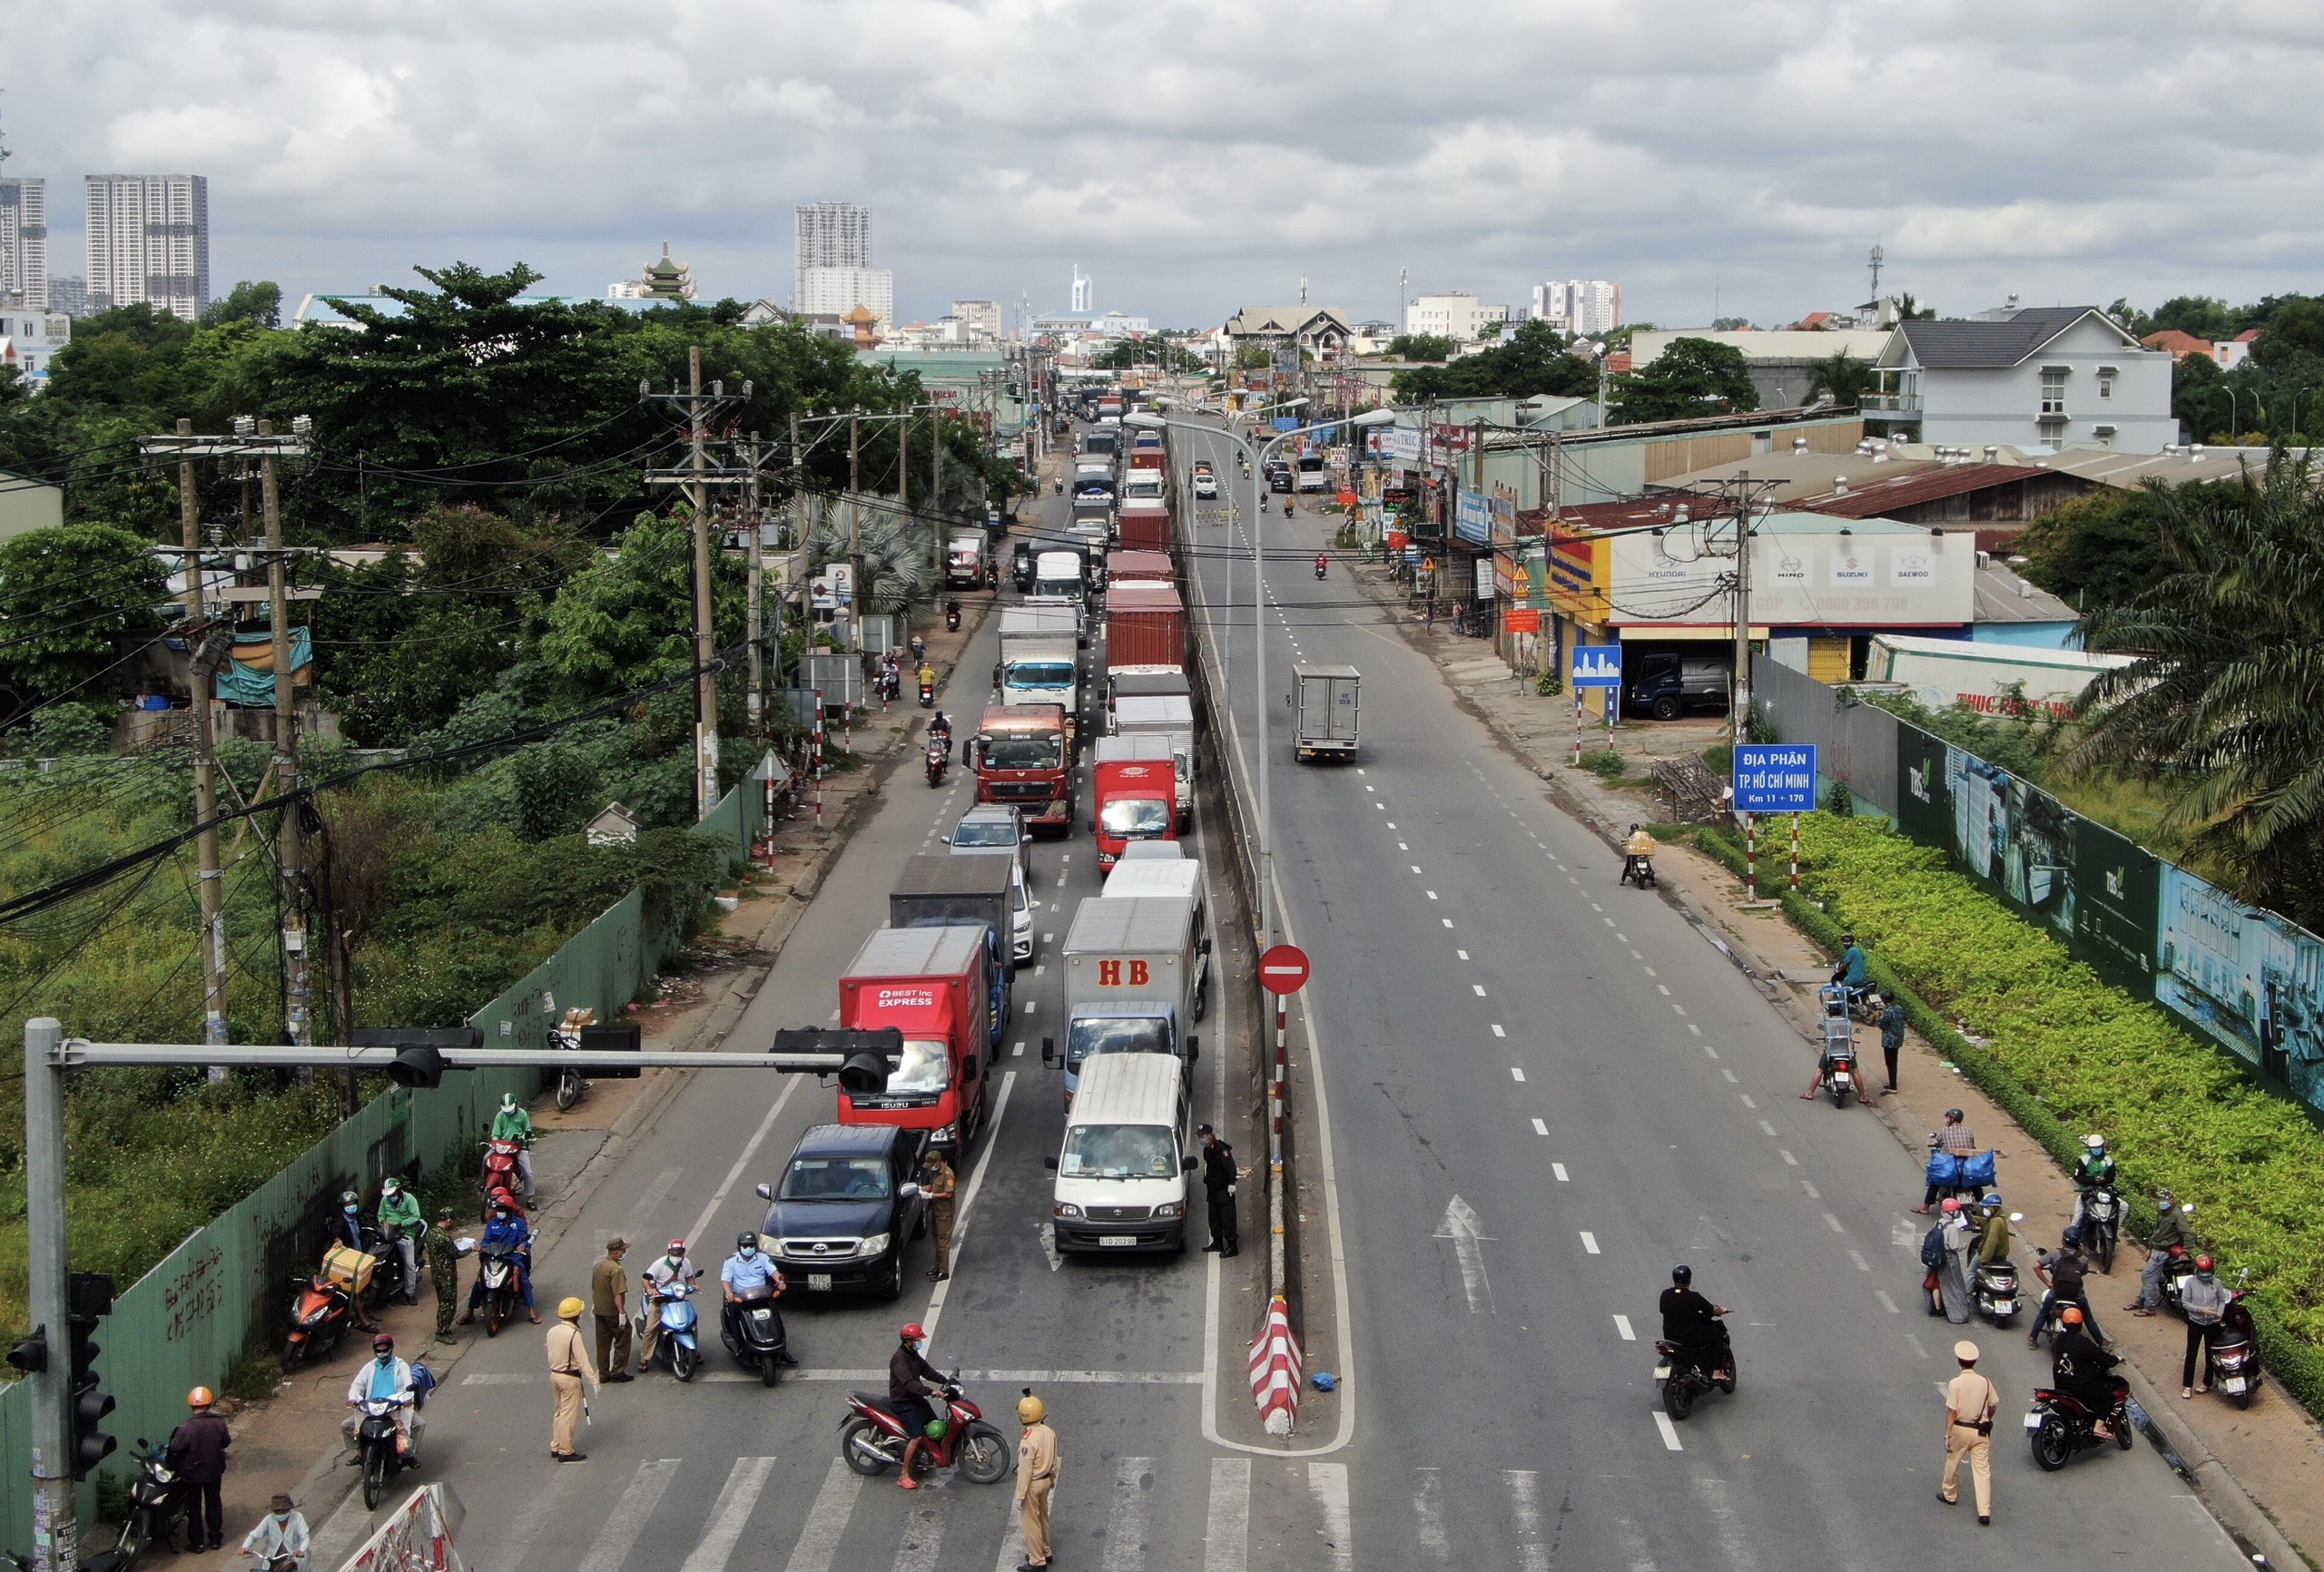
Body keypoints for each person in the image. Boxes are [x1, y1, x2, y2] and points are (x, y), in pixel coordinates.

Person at [167, 1386, 233, 1552]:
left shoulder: (186, 1427)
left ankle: (197, 1544)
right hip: (214, 1471)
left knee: (194, 1507)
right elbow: (226, 1442)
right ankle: (215, 1540)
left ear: (191, 1405)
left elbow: (175, 1447)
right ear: (210, 1403)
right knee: (213, 1502)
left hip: (192, 1474)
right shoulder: (219, 1422)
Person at [1939, 1340, 1996, 1524]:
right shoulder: (1985, 1383)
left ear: (1959, 1361)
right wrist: (1987, 1418)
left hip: (1960, 1429)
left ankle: (1950, 1493)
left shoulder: (1956, 1383)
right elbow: (1993, 1405)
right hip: (1980, 1431)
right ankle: (1984, 1511)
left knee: (1953, 1461)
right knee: (1982, 1470)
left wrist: (1947, 1434)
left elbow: (1952, 1411)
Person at [340, 1334, 421, 1459]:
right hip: (372, 1408)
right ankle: (360, 1452)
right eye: (378, 1351)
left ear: (391, 1348)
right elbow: (357, 1384)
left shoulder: (401, 1366)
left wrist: (407, 1400)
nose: (382, 1353)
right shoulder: (370, 1367)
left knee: (419, 1424)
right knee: (346, 1426)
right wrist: (353, 1398)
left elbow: (408, 1385)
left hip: (394, 1408)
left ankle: (408, 1455)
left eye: (385, 1350)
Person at [719, 1232, 795, 1361]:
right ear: (739, 1247)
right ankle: (739, 1345)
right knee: (734, 1314)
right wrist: (729, 1292)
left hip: (761, 1296)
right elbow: (725, 1281)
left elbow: (774, 1272)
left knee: (775, 1315)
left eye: (751, 1245)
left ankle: (782, 1349)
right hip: (741, 1298)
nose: (748, 1248)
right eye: (745, 1245)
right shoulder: (730, 1261)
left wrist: (780, 1282)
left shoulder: (762, 1258)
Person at [890, 1322, 948, 1490]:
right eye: (917, 1340)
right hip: (904, 1402)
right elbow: (908, 1384)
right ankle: (904, 1475)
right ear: (908, 1342)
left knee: (933, 1423)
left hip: (915, 1399)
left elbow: (927, 1371)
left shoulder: (913, 1355)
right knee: (916, 1436)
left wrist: (945, 1381)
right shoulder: (900, 1359)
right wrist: (931, 1392)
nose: (919, 1343)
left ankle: (926, 1457)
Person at [460, 1199, 535, 1324]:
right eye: (498, 1210)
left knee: (524, 1279)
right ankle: (470, 1311)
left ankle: (532, 1311)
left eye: (502, 1209)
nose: (499, 1212)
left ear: (509, 1211)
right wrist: (481, 1246)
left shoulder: (519, 1224)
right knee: (480, 1280)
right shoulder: (492, 1224)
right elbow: (486, 1240)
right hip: (494, 1256)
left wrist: (522, 1245)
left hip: (512, 1257)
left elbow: (523, 1239)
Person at [2050, 1306, 2119, 1436]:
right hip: (2080, 1386)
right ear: (2080, 1325)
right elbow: (2103, 1358)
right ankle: (2098, 1427)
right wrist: (2116, 1359)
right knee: (2108, 1398)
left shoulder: (2057, 1341)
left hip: (2060, 1384)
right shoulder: (2083, 1343)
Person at [636, 1238, 701, 1372]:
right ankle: (644, 1359)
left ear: (683, 1253)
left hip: (679, 1300)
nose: (676, 1256)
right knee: (651, 1328)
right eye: (673, 1253)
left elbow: (689, 1278)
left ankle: (694, 1350)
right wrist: (650, 1289)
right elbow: (645, 1278)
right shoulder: (659, 1264)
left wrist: (694, 1286)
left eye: (679, 1254)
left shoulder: (686, 1263)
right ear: (669, 1252)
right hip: (661, 1301)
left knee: (691, 1322)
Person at [546, 1298, 597, 1461]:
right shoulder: (574, 1334)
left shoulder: (552, 1331)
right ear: (575, 1316)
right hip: (570, 1378)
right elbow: (582, 1360)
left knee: (559, 1412)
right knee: (568, 1416)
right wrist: (594, 1380)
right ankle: (565, 1450)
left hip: (555, 1375)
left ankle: (556, 1444)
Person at [2128, 1188, 2193, 1317]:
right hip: (2157, 1249)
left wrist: (2186, 1251)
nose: (2163, 1202)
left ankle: (2150, 1307)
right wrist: (2150, 1248)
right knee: (2152, 1276)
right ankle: (2141, 1300)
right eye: (2161, 1199)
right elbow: (2157, 1232)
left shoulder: (2177, 1215)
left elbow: (2189, 1234)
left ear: (2172, 1200)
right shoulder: (2162, 1213)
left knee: (2147, 1276)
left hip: (2164, 1251)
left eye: (2165, 1199)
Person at [1658, 1264, 1731, 1379]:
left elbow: (1662, 1310)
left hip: (1669, 1336)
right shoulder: (1694, 1297)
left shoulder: (1665, 1294)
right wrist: (1722, 1310)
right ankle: (1717, 1371)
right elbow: (1712, 1310)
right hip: (1690, 1336)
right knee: (1717, 1336)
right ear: (1689, 1280)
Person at [1015, 1390, 1060, 1572]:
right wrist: (1053, 1479)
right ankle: (1045, 1551)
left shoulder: (1028, 1440)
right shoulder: (1049, 1432)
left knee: (1031, 1523)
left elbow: (1025, 1471)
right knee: (1043, 1517)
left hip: (1033, 1485)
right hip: (1046, 1480)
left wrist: (1021, 1494)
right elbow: (1055, 1459)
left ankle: (1037, 1560)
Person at [2028, 1236, 2099, 1347]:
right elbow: (2083, 1273)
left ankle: (2032, 1338)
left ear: (2063, 1241)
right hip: (2076, 1294)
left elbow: (2036, 1266)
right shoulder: (2083, 1259)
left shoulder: (2055, 1253)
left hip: (2056, 1291)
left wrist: (2047, 1283)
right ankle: (2102, 1342)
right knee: (2088, 1318)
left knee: (2043, 1313)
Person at [2180, 1253, 2231, 1398]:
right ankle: (2187, 1386)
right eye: (2203, 1272)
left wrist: (2219, 1313)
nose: (2205, 1276)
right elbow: (2185, 1303)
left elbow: (2222, 1300)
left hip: (2211, 1323)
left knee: (2210, 1353)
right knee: (2191, 1353)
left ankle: (2206, 1383)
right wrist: (2201, 1309)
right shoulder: (2190, 1283)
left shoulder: (2217, 1283)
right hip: (2196, 1322)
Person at [1915, 1109, 1978, 1213]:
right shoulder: (1969, 1130)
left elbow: (1938, 1142)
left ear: (1952, 1119)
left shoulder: (1945, 1131)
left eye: (1947, 1118)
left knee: (1934, 1181)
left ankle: (1925, 1208)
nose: (1946, 1120)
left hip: (1952, 1168)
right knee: (1975, 1183)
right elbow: (1972, 1144)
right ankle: (1983, 1202)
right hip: (1967, 1167)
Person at [591, 1236, 634, 1383]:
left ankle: (603, 1374)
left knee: (602, 1343)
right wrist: (621, 1313)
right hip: (612, 1311)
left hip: (599, 1310)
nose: (623, 1253)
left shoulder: (598, 1266)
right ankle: (617, 1371)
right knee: (624, 1335)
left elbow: (595, 1289)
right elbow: (618, 1294)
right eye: (622, 1250)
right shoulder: (616, 1270)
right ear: (616, 1252)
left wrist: (595, 1305)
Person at [2063, 1134, 2118, 1247]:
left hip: (2104, 1191)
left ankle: (2116, 1230)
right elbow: (2078, 1176)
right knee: (2078, 1217)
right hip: (2087, 1191)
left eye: (2098, 1147)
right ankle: (2070, 1240)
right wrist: (2093, 1180)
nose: (2096, 1150)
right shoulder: (2084, 1159)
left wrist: (2104, 1180)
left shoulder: (2109, 1160)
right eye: (2093, 1148)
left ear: (2103, 1146)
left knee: (2123, 1207)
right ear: (2089, 1148)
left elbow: (2112, 1177)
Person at [377, 1177, 422, 1305]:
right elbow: (380, 1215)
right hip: (388, 1235)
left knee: (409, 1264)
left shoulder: (410, 1199)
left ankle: (410, 1293)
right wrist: (383, 1222)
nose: (391, 1197)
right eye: (389, 1195)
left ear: (399, 1190)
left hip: (405, 1234)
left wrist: (401, 1224)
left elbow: (415, 1216)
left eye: (392, 1194)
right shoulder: (384, 1201)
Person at [240, 1493, 310, 1572]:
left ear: (289, 1509)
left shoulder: (297, 1518)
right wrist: (245, 1547)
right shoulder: (269, 1519)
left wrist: (301, 1550)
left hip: (294, 1557)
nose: (280, 1513)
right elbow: (253, 1536)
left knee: (288, 1566)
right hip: (273, 1558)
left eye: (283, 1510)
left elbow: (305, 1538)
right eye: (277, 1511)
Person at [1199, 1124, 1239, 1256]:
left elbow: (1231, 1168)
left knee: (1227, 1218)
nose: (1201, 1139)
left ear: (1210, 1135)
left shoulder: (1221, 1150)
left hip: (1224, 1189)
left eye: (1203, 1136)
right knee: (1214, 1218)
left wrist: (1232, 1183)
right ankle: (1217, 1242)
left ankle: (1232, 1246)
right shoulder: (1207, 1150)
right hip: (1212, 1189)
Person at [491, 1092, 537, 1203]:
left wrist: (522, 1138)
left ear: (516, 1105)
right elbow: (495, 1133)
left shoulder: (522, 1114)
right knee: (486, 1159)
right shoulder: (500, 1116)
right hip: (503, 1146)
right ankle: (486, 1186)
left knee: (527, 1172)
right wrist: (495, 1142)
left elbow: (527, 1130)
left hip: (518, 1146)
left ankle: (530, 1198)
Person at [1936, 1199, 1975, 1324]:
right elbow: (1954, 1246)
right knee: (1954, 1285)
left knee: (1937, 1283)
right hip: (1949, 1259)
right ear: (1952, 1212)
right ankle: (1957, 1312)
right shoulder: (1952, 1227)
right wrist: (1962, 1246)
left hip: (1938, 1256)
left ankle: (1938, 1308)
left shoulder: (1939, 1222)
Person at [922, 1150, 958, 1282]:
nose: (931, 1166)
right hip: (937, 1212)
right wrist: (919, 1189)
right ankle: (937, 1267)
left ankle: (944, 1271)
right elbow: (932, 1187)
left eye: (932, 1164)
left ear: (938, 1161)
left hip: (945, 1213)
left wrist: (931, 1196)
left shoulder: (948, 1175)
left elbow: (949, 1194)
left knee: (943, 1242)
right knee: (936, 1240)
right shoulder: (937, 1173)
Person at [427, 1210, 461, 1339]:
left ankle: (443, 1327)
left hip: (436, 1274)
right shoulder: (444, 1238)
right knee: (449, 1304)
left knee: (442, 1302)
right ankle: (442, 1332)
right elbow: (456, 1254)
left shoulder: (431, 1233)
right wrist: (471, 1249)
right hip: (447, 1276)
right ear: (449, 1220)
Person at [1878, 994, 1907, 1094]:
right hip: (1898, 1039)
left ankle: (1893, 1087)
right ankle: (1892, 1083)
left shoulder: (1888, 1011)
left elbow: (1882, 1025)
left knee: (1890, 1063)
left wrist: (1879, 1017)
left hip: (1889, 1041)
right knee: (1893, 1062)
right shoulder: (1899, 1008)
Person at [1974, 1194, 2013, 1266]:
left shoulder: (1996, 1221)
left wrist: (1984, 1259)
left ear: (1995, 1208)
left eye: (1987, 1208)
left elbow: (1991, 1242)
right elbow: (1987, 1223)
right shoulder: (1998, 1219)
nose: (1984, 1210)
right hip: (2001, 1256)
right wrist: (1978, 1221)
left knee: (1970, 1273)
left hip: (1992, 1255)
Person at [1831, 931, 1870, 1004]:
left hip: (1853, 978)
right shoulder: (1858, 950)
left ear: (1852, 942)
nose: (1845, 943)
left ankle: (1843, 1006)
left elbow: (1845, 965)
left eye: (1847, 941)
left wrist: (1838, 970)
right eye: (1844, 941)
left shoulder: (1851, 951)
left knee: (1841, 990)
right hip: (1862, 978)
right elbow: (1863, 957)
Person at [1620, 824, 1659, 888]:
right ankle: (1653, 881)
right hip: (1643, 852)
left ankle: (1622, 881)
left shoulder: (1631, 833)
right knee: (1648, 866)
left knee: (1628, 866)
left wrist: (1625, 843)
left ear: (1631, 829)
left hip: (1634, 853)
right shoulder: (1644, 834)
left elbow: (1629, 841)